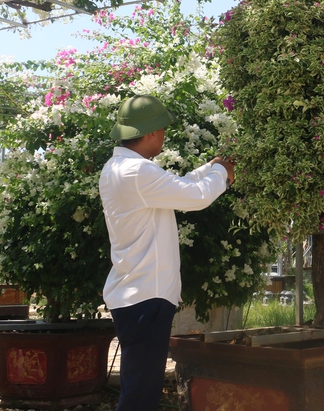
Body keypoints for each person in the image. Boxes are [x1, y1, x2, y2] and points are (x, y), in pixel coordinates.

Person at [100, 94, 235, 411]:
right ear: (149, 133)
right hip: (145, 297)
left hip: (136, 295)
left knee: (140, 391)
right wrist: (223, 175)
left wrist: (211, 168)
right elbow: (196, 197)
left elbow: (179, 186)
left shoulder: (122, 168)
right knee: (140, 398)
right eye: (162, 130)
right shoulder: (136, 172)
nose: (164, 136)